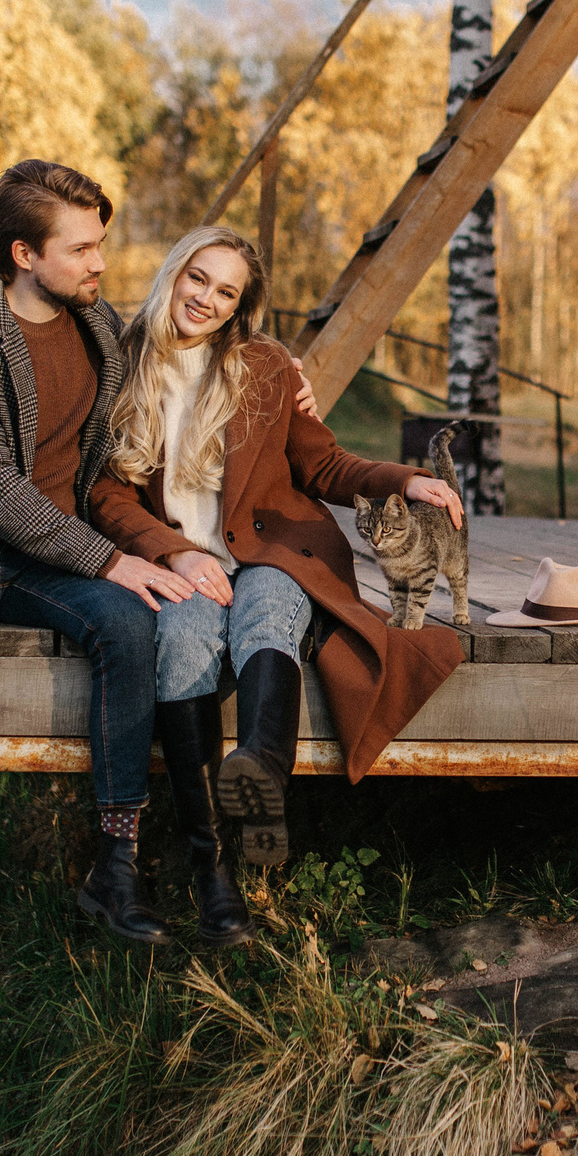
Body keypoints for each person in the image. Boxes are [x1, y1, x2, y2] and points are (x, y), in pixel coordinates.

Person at [0, 162, 315, 975]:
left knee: (129, 628)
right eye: (82, 249)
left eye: (101, 245)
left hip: (58, 552)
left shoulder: (100, 327)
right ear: (24, 252)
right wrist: (109, 557)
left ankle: (114, 867)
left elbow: (194, 346)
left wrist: (291, 381)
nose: (100, 264)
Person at [93, 226, 465, 926]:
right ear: (175, 272)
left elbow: (325, 466)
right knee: (181, 638)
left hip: (275, 550)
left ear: (240, 306)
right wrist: (172, 550)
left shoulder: (262, 365)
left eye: (225, 291)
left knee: (267, 609)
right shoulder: (123, 361)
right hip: (186, 563)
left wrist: (407, 480)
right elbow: (108, 491)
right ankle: (213, 871)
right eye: (197, 278)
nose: (205, 298)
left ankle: (262, 769)